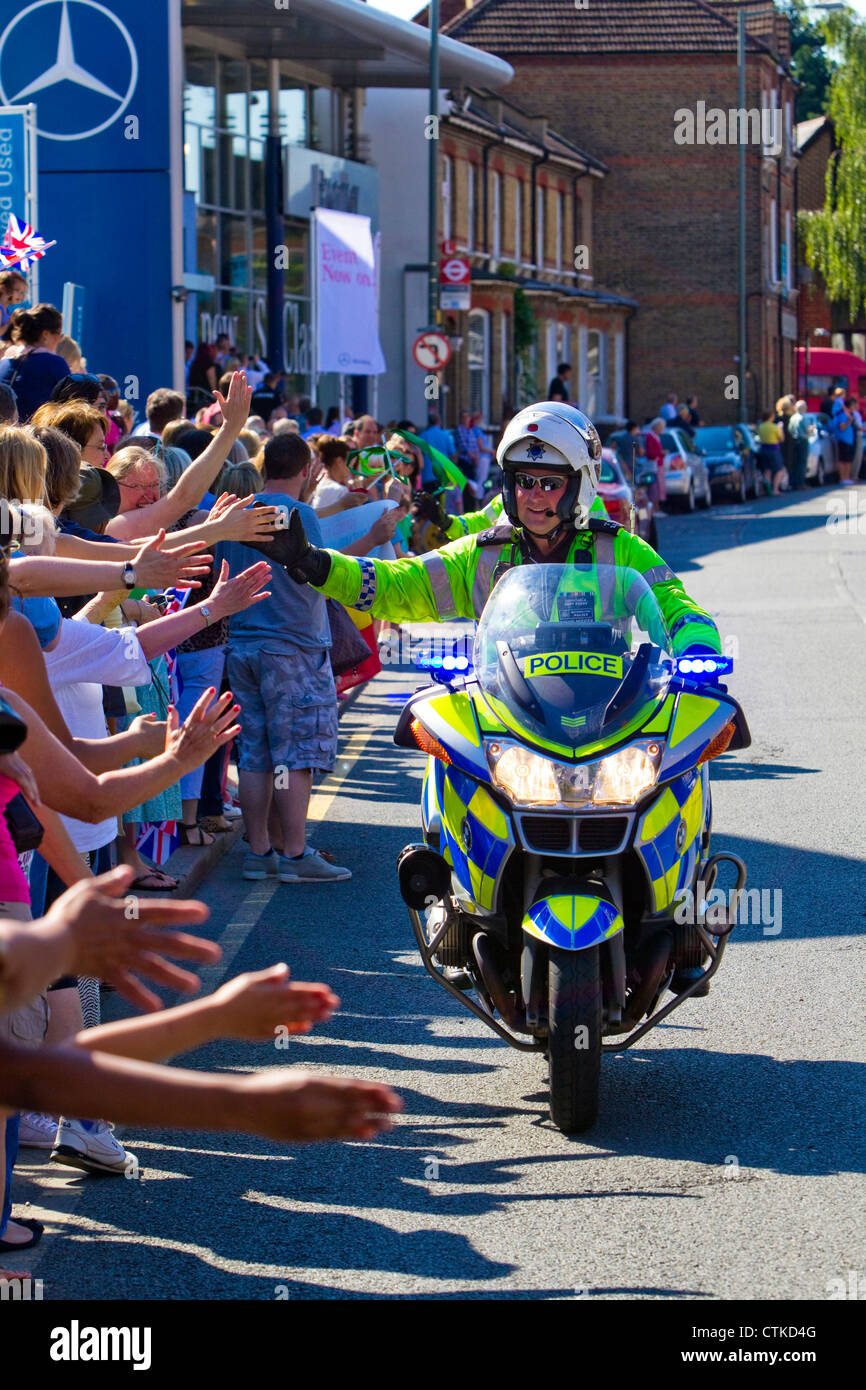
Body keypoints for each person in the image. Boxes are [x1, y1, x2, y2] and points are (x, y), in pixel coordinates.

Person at [255, 402, 722, 662]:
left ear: (580, 486)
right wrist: (313, 562)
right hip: (506, 721)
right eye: (523, 481)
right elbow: (396, 584)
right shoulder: (483, 555)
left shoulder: (618, 549)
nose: (534, 496)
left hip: (608, 717)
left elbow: (675, 605)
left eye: (550, 484)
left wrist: (698, 652)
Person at [220, 431, 351, 884]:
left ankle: (259, 851)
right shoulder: (302, 514)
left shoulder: (237, 513)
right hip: (294, 647)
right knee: (294, 757)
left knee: (254, 753)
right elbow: (318, 574)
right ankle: (295, 854)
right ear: (305, 469)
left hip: (243, 644)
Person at [0, 305, 69, 420]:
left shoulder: (4, 362)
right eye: (59, 333)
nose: (60, 339)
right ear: (45, 334)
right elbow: (74, 406)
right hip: (35, 434)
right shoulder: (55, 363)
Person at [757, 408, 784, 494]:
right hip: (773, 449)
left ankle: (768, 490)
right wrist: (781, 429)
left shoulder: (760, 426)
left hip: (763, 449)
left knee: (767, 470)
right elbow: (781, 439)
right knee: (779, 470)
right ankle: (775, 489)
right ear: (770, 417)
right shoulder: (774, 427)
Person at [832, 394, 856, 485]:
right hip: (843, 440)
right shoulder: (842, 414)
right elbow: (842, 427)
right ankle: (843, 478)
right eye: (854, 405)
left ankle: (847, 477)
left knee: (848, 460)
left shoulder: (849, 414)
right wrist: (849, 421)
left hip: (848, 440)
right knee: (843, 460)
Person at [787, 400, 810, 491]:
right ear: (803, 408)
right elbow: (807, 431)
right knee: (802, 462)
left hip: (794, 441)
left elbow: (789, 430)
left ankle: (794, 483)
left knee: (795, 462)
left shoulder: (793, 418)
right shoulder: (803, 418)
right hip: (803, 440)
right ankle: (801, 483)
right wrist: (812, 429)